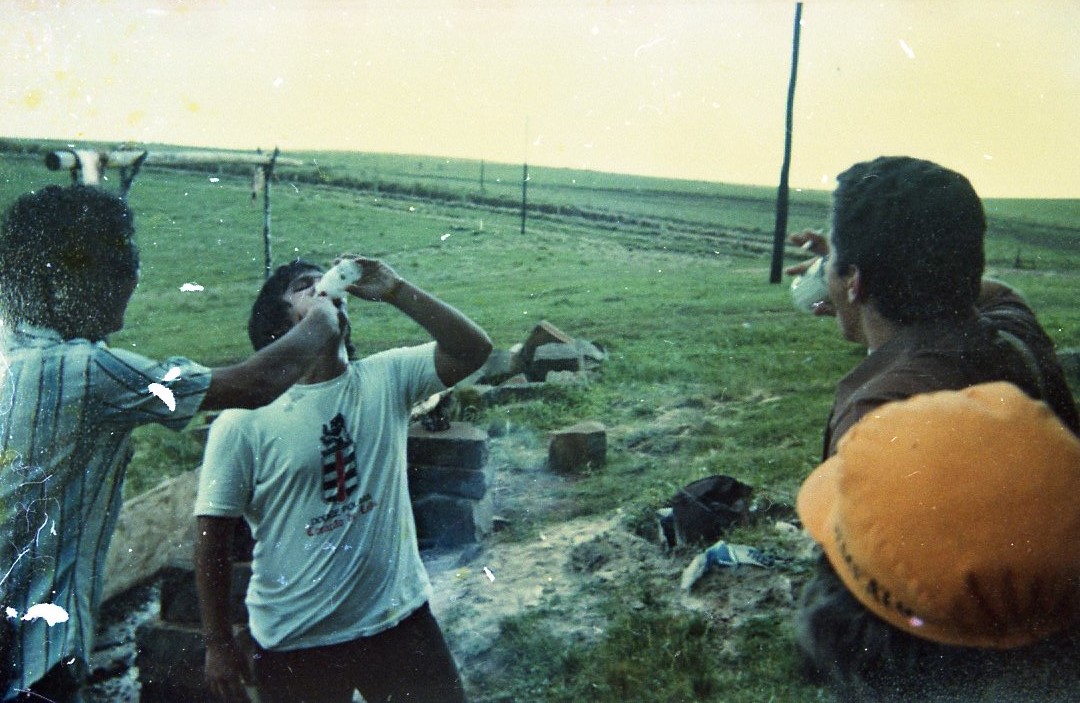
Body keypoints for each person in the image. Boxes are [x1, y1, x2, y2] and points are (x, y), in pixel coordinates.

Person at [0, 185, 343, 702]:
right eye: (116, 273)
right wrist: (321, 318)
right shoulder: (86, 372)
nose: (129, 285)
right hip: (35, 660)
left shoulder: (14, 354)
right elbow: (252, 384)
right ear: (64, 281)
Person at [786, 156, 1080, 701]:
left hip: (950, 658)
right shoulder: (1013, 327)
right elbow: (985, 289)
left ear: (854, 281)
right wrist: (857, 268)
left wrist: (853, 276)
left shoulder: (879, 409)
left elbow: (874, 590)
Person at [193, 256, 492, 703]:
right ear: (277, 322)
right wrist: (218, 643)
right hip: (297, 639)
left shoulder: (386, 379)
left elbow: (474, 349)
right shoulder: (242, 422)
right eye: (304, 285)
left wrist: (396, 289)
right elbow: (211, 537)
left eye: (326, 280)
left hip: (398, 620)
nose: (326, 286)